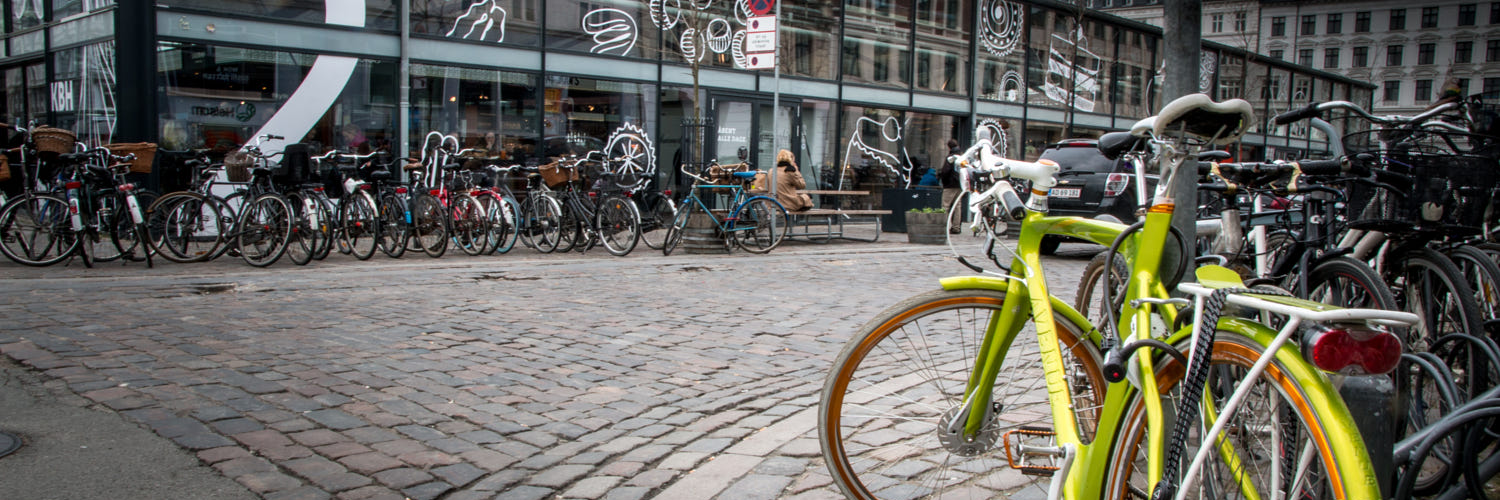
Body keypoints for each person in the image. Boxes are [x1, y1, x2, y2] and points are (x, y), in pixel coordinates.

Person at [937, 138, 963, 231]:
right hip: (960, 185)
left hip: (950, 185)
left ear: (949, 147)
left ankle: (943, 227)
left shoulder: (950, 157)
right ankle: (956, 227)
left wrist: (943, 179)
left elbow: (945, 171)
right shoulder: (961, 157)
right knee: (957, 206)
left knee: (945, 205)